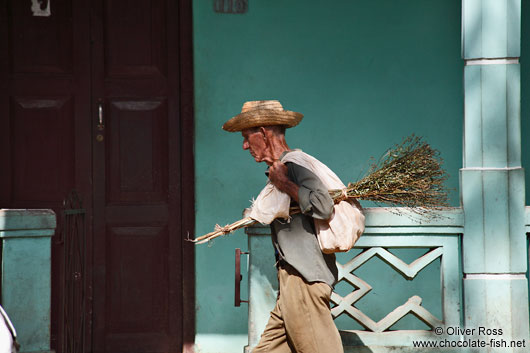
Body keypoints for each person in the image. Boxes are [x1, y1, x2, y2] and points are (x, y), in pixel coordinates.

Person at [223, 100, 349, 353]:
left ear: (264, 132)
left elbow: (323, 206)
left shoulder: (294, 165)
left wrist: (284, 184)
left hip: (304, 283)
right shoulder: (283, 168)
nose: (245, 145)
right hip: (292, 281)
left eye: (248, 137)